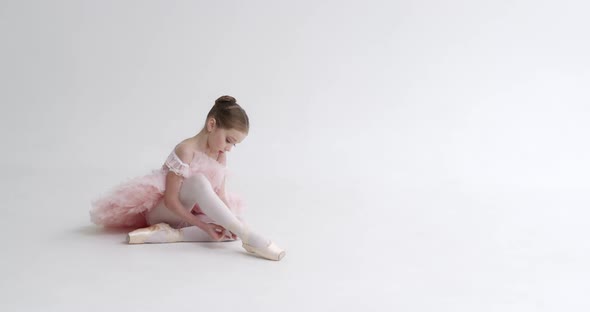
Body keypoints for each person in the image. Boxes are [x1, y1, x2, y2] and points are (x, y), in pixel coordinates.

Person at [90, 95, 285, 261]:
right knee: (199, 182)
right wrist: (203, 225)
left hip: (189, 214)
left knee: (233, 223)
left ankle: (173, 235)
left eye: (234, 145)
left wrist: (230, 221)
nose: (229, 148)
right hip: (165, 211)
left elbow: (222, 196)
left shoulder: (220, 154)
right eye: (228, 140)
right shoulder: (186, 150)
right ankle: (249, 238)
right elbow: (171, 200)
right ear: (212, 124)